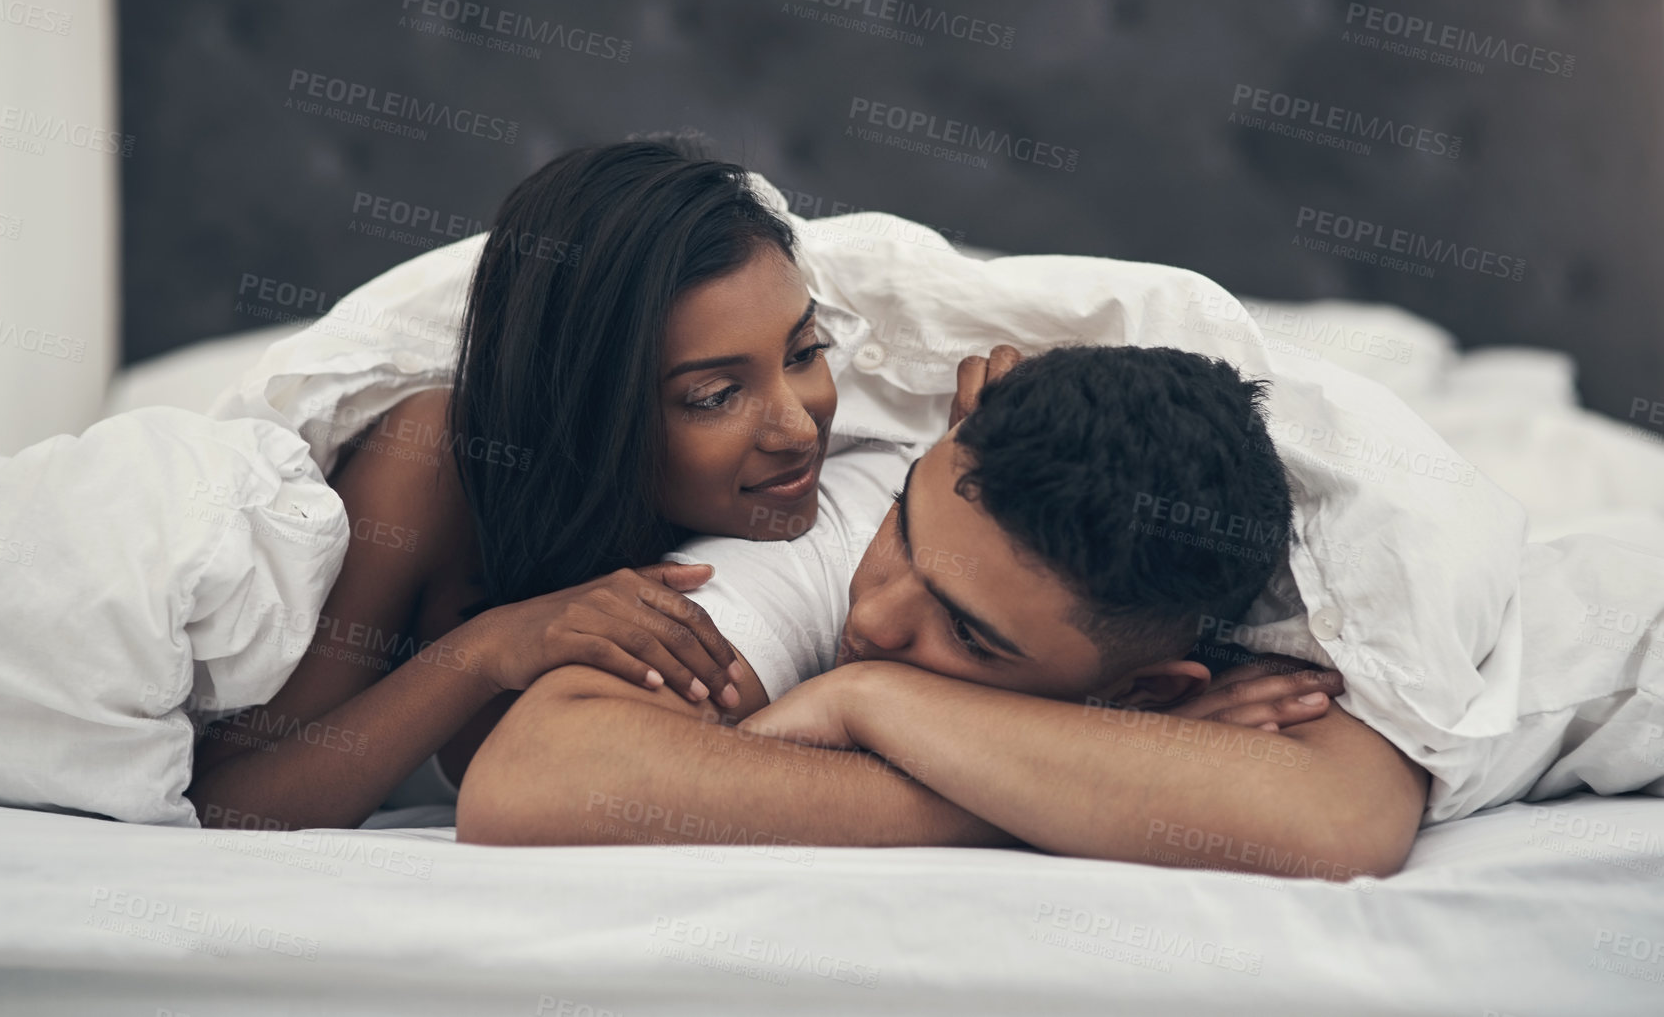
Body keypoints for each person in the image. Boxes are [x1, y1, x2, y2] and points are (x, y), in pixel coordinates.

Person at [457, 341, 1664, 880]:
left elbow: (1338, 826)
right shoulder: (887, 498)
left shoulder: (1339, 616)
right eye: (907, 545)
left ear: (1147, 696)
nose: (875, 620)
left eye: (968, 639)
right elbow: (535, 776)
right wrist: (1097, 782)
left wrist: (863, 703)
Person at [188, 138, 837, 829]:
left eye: (804, 352)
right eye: (713, 395)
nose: (797, 429)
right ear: (586, 406)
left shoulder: (872, 464)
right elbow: (230, 803)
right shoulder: (438, 464)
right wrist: (487, 651)